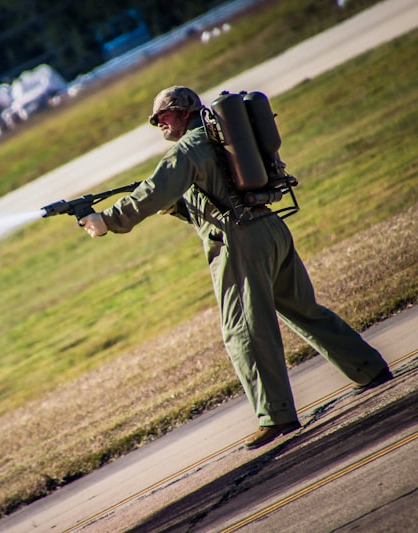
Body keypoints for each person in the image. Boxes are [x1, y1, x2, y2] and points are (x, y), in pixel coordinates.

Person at [78, 86, 393, 449]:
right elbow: (210, 198)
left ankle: (275, 415)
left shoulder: (187, 149)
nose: (158, 122)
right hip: (271, 228)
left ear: (184, 111)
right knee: (303, 310)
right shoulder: (220, 138)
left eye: (163, 114)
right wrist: (176, 207)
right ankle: (368, 368)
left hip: (240, 243)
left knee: (242, 330)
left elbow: (152, 192)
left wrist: (106, 221)